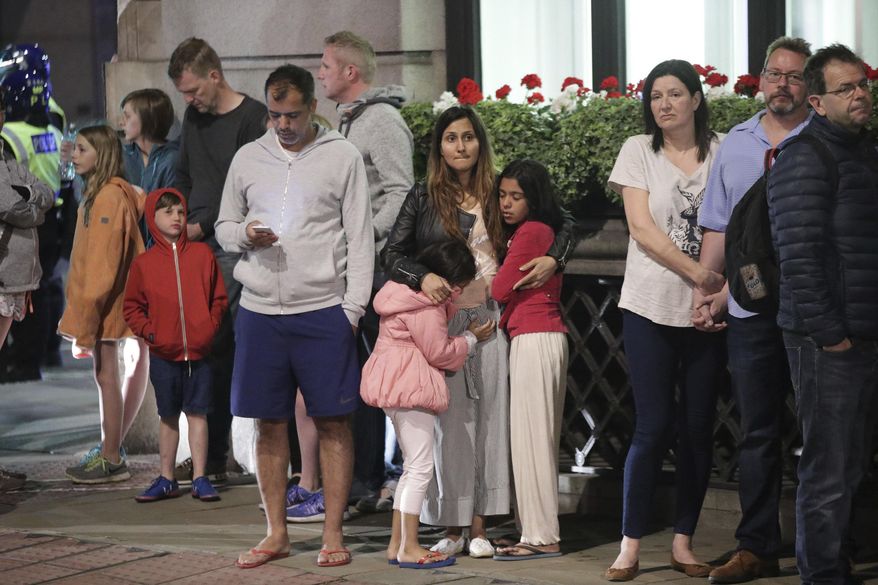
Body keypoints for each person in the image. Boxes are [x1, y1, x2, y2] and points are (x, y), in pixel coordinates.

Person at [382, 105, 576, 559]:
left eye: (468, 137)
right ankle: (450, 524)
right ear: (439, 146)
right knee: (450, 422)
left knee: (490, 419)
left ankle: (481, 525)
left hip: (492, 314)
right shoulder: (423, 194)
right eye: (451, 138)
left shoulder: (499, 192)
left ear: (479, 142)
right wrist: (421, 277)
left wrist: (556, 257)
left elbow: (561, 220)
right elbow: (392, 253)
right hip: (441, 314)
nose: (460, 146)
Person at [215, 64, 373, 569]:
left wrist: (352, 309)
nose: (283, 124)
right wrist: (244, 236)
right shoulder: (247, 158)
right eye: (275, 114)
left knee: (333, 421)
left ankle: (332, 533)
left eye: (293, 114)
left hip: (324, 307)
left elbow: (361, 235)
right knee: (268, 421)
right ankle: (275, 532)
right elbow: (222, 224)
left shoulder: (341, 156)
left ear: (312, 108)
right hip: (261, 309)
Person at [694, 37, 812, 584]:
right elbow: (718, 225)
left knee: (827, 428)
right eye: (774, 72)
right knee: (758, 430)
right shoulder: (736, 144)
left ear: (808, 86)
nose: (781, 83)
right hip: (748, 309)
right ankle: (757, 546)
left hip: (813, 308)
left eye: (793, 75)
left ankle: (827, 543)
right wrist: (707, 289)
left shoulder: (825, 140)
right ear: (760, 79)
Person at [604, 60, 725, 581]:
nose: (665, 104)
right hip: (650, 305)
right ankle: (630, 546)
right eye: (656, 96)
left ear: (697, 99)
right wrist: (700, 274)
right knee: (652, 426)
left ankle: (683, 543)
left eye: (676, 94)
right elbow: (642, 229)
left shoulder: (722, 152)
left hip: (708, 310)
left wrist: (710, 289)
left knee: (698, 427)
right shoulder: (638, 150)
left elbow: (729, 220)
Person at [766, 43, 878, 585]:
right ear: (816, 100)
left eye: (863, 84)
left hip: (863, 331)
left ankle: (836, 565)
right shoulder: (804, 155)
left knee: (851, 464)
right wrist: (831, 335)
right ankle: (822, 575)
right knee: (828, 467)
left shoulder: (864, 149)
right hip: (827, 340)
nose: (860, 95)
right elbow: (799, 256)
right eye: (845, 88)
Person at [309, 28, 415, 518]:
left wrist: (362, 238)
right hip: (353, 271)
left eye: (326, 66)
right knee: (358, 379)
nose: (320, 73)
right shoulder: (346, 122)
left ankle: (378, 481)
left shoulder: (382, 122)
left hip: (376, 274)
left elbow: (401, 192)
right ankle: (363, 482)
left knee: (379, 378)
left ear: (350, 72)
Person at [361, 240, 493, 569]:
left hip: (394, 381)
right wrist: (472, 338)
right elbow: (439, 352)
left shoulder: (403, 293)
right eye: (460, 283)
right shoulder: (426, 304)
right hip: (411, 384)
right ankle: (408, 547)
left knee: (411, 468)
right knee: (420, 467)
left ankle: (398, 545)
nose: (460, 291)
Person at [124, 188, 228, 503]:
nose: (177, 218)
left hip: (199, 353)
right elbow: (131, 307)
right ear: (153, 217)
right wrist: (151, 333)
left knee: (199, 414)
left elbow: (219, 299)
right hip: (164, 354)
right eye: (168, 212)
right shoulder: (144, 264)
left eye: (181, 212)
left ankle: (200, 477)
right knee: (167, 415)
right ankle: (167, 477)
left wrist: (208, 329)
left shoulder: (202, 255)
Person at [58, 124, 149, 484]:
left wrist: (87, 321)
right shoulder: (102, 194)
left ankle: (111, 456)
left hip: (107, 304)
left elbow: (102, 266)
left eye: (82, 150)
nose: (74, 155)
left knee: (106, 375)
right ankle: (110, 448)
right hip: (107, 302)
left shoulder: (108, 198)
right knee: (107, 375)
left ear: (103, 155)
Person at [490, 159, 568, 561]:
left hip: (535, 337)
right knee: (534, 438)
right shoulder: (537, 231)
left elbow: (501, 287)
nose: (506, 203)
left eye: (516, 196)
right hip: (541, 336)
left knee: (532, 440)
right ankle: (532, 530)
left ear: (533, 198)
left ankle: (541, 536)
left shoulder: (533, 231)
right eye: (502, 195)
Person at [0, 85, 55, 490]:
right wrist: (29, 202)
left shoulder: (5, 155)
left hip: (14, 277)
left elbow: (45, 193)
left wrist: (29, 200)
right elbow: (11, 206)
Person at [0, 49, 62, 383]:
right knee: (43, 290)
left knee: (25, 294)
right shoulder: (55, 115)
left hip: (21, 221)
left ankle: (25, 361)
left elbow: (8, 195)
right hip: (50, 214)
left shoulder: (9, 133)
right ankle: (44, 352)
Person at [120, 89, 179, 202]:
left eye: (127, 116)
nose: (121, 122)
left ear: (147, 119)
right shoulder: (123, 155)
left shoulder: (171, 160)